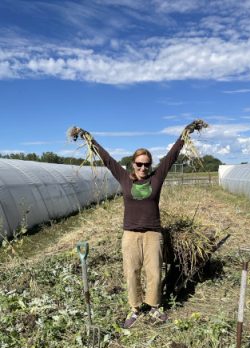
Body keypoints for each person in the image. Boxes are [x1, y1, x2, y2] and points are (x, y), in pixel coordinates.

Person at [79, 122, 198, 328]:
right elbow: (107, 159)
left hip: (153, 234)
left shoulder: (156, 178)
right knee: (131, 272)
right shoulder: (124, 178)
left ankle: (153, 307)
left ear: (150, 165)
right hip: (130, 235)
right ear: (132, 164)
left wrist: (184, 134)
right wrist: (89, 139)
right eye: (139, 164)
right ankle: (134, 308)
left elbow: (171, 157)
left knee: (154, 272)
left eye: (146, 164)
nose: (143, 168)